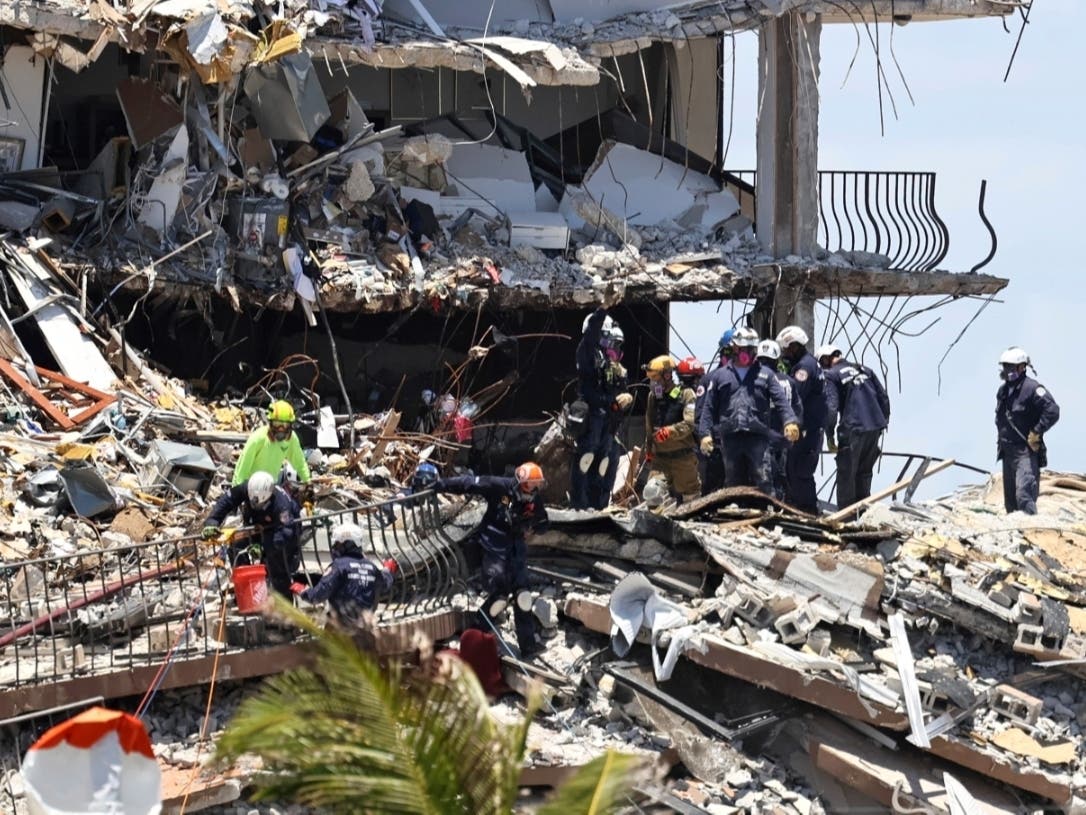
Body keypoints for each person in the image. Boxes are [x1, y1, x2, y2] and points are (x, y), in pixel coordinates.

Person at [434, 463, 549, 657]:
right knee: (500, 594)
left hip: (516, 549)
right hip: (493, 545)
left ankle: (528, 646)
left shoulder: (534, 500)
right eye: (531, 485)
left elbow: (543, 521)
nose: (535, 489)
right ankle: (479, 628)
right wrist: (440, 485)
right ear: (521, 482)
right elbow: (469, 483)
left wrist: (534, 527)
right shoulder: (500, 487)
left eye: (538, 485)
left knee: (524, 597)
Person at [696, 328, 800, 494]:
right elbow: (708, 408)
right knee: (733, 480)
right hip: (730, 436)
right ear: (735, 349)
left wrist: (790, 421)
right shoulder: (720, 376)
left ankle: (767, 509)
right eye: (745, 349)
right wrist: (705, 434)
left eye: (752, 350)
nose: (749, 354)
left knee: (763, 478)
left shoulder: (766, 375)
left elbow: (781, 401)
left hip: (757, 435)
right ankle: (735, 509)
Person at [203, 471, 302, 598]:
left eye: (260, 504)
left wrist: (263, 548)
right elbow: (227, 500)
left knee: (277, 567)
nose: (255, 506)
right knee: (236, 547)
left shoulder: (282, 505)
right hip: (257, 528)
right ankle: (248, 593)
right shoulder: (248, 488)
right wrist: (212, 521)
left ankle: (284, 609)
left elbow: (286, 532)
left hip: (280, 535)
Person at [571, 308, 633, 509]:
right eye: (609, 342)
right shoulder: (587, 354)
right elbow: (590, 335)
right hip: (592, 415)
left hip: (609, 420)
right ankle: (580, 504)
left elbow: (619, 391)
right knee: (585, 459)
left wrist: (624, 398)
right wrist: (602, 309)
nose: (613, 349)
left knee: (605, 462)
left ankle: (598, 505)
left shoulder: (614, 368)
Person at [819, 345, 891, 511]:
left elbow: (831, 408)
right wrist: (882, 421)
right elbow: (883, 398)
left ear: (825, 359)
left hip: (853, 428)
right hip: (874, 426)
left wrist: (829, 435)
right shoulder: (865, 369)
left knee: (846, 473)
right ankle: (864, 514)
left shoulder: (831, 375)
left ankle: (847, 516)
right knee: (864, 472)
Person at [291, 523, 397, 627]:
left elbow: (317, 596)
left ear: (346, 545)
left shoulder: (339, 567)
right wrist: (388, 569)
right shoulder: (371, 567)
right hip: (365, 627)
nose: (334, 548)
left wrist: (303, 590)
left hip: (342, 628)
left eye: (337, 544)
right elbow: (385, 583)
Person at [995, 347, 1059, 515]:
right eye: (1005, 366)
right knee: (1011, 504)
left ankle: (1032, 529)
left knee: (1024, 495)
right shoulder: (1002, 392)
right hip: (1007, 452)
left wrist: (1037, 432)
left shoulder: (1032, 388)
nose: (1007, 370)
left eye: (1011, 366)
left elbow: (1052, 410)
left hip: (1025, 451)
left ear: (1022, 367)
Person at [775, 326, 826, 514]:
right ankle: (800, 508)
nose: (785, 354)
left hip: (807, 430)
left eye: (787, 349)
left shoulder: (804, 367)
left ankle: (807, 510)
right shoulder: (812, 363)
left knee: (799, 470)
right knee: (795, 469)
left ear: (795, 347)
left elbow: (795, 393)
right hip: (811, 428)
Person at [643, 356, 701, 502]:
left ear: (667, 375)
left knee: (691, 500)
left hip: (683, 458)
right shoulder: (653, 397)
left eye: (656, 378)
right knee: (652, 492)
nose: (653, 382)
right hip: (660, 459)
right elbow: (649, 425)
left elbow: (690, 423)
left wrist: (670, 431)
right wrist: (648, 451)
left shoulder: (686, 394)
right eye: (651, 379)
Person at [756, 340, 803, 501]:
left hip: (764, 436)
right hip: (784, 437)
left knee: (766, 476)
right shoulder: (789, 381)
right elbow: (797, 408)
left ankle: (772, 504)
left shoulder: (758, 381)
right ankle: (782, 502)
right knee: (781, 473)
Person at [233, 400, 312, 487]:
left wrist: (308, 481)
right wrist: (238, 493)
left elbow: (299, 462)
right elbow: (242, 468)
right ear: (270, 422)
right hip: (250, 487)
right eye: (277, 424)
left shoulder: (291, 439)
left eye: (285, 425)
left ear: (290, 425)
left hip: (270, 487)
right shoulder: (259, 438)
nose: (280, 429)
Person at [697, 330, 735, 495]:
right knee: (713, 491)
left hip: (739, 447)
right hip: (716, 449)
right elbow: (699, 415)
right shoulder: (709, 380)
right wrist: (706, 437)